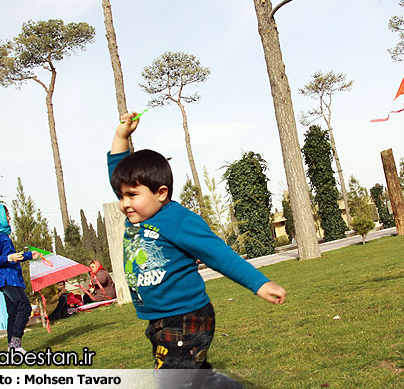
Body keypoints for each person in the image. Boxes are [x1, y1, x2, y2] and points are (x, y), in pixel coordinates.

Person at [108, 112, 286, 389]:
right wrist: (121, 136)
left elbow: (219, 255)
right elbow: (118, 170)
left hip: (186, 317)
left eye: (132, 195)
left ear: (161, 193)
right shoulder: (138, 217)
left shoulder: (178, 221)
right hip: (161, 321)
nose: (124, 203)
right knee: (201, 379)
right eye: (121, 196)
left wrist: (259, 283)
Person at [0, 205, 39, 352]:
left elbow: (13, 257)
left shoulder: (2, 235)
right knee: (25, 308)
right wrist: (8, 257)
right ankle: (15, 345)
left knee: (13, 313)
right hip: (7, 279)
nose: (9, 218)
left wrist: (29, 255)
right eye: (6, 215)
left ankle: (12, 349)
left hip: (11, 278)